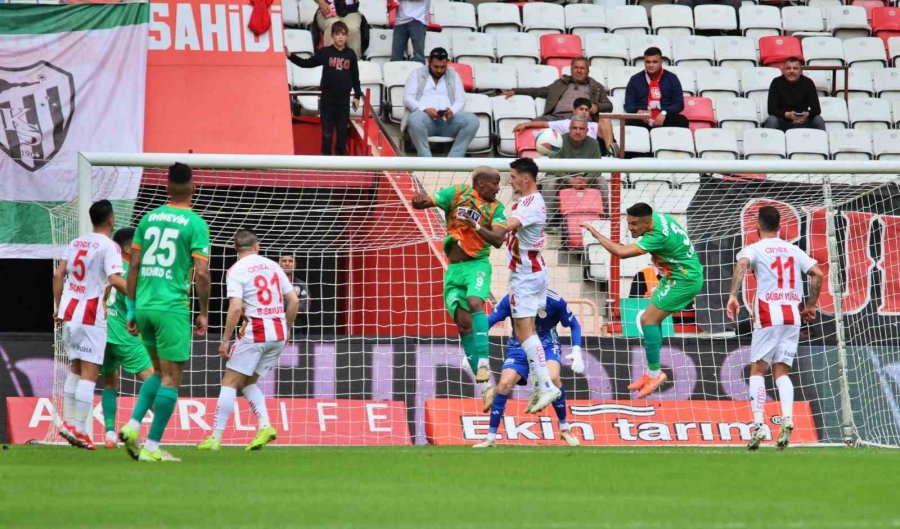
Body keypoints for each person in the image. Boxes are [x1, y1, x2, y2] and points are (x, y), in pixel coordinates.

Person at [118, 162, 212, 463]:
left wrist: (131, 308)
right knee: (172, 378)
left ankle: (133, 426)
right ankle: (152, 446)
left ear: (167, 187)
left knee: (159, 373)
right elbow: (202, 272)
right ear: (193, 187)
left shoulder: (147, 219)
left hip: (144, 305)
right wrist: (204, 311)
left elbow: (133, 266)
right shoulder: (195, 223)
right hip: (171, 308)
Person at [462, 158, 562, 414]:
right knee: (527, 331)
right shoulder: (524, 203)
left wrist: (475, 222)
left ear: (526, 178)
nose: (510, 181)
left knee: (523, 332)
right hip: (534, 271)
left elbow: (502, 232)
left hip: (525, 276)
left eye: (514, 176)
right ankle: (541, 384)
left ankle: (547, 384)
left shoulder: (532, 204)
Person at [726, 206, 823, 450]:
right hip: (792, 315)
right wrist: (811, 305)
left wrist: (733, 295)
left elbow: (742, 264)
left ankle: (759, 424)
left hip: (768, 314)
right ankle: (788, 418)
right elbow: (817, 274)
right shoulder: (793, 249)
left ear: (757, 226)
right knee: (782, 372)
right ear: (779, 226)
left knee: (757, 371)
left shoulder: (754, 248)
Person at [582, 203, 703, 398]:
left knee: (648, 320)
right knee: (653, 320)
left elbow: (621, 253)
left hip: (684, 280)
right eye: (629, 222)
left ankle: (655, 374)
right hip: (675, 275)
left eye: (634, 224)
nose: (630, 228)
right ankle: (651, 372)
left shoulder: (657, 236)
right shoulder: (660, 217)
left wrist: (595, 234)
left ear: (647, 222)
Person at [411, 168, 507, 411]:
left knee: (475, 302)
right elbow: (425, 202)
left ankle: (483, 361)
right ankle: (486, 388)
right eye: (495, 183)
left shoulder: (497, 208)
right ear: (481, 183)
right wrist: (418, 201)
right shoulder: (457, 193)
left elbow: (498, 240)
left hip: (477, 264)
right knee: (463, 325)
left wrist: (475, 225)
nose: (498, 188)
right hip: (453, 270)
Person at [198, 229, 300, 451]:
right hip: (278, 332)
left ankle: (215, 438)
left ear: (235, 248)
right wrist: (287, 328)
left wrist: (225, 340)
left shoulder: (236, 270)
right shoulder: (273, 265)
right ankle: (265, 426)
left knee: (229, 381)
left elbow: (236, 307)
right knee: (247, 382)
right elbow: (293, 301)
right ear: (257, 247)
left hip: (257, 331)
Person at [52, 200, 127, 450]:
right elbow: (115, 278)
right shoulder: (110, 246)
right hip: (91, 315)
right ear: (111, 220)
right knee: (90, 373)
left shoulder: (76, 242)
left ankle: (70, 423)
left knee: (75, 367)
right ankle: (79, 429)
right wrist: (138, 294)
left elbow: (58, 274)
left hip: (69, 313)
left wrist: (58, 307)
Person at [474, 290, 585, 448]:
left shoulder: (554, 300)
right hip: (519, 346)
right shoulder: (512, 298)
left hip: (547, 344)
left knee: (553, 377)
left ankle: (564, 428)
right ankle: (491, 437)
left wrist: (577, 351)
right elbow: (488, 322)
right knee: (504, 385)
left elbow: (574, 325)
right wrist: (473, 346)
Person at [99, 227, 155, 449]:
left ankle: (109, 434)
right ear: (128, 249)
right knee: (154, 381)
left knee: (110, 383)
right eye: (140, 245)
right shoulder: (131, 273)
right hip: (123, 334)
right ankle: (149, 434)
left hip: (102, 333)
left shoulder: (108, 269)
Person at [289, 21, 362, 156]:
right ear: (332, 36)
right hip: (327, 100)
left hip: (343, 101)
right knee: (327, 132)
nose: (340, 37)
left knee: (342, 133)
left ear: (347, 36)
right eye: (337, 34)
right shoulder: (326, 52)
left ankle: (340, 160)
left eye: (343, 34)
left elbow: (355, 78)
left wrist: (357, 95)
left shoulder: (351, 55)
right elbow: (306, 63)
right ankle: (326, 159)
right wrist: (290, 56)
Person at [402, 47, 479, 157]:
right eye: (436, 67)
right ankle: (425, 159)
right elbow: (407, 98)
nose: (439, 70)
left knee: (472, 120)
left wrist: (452, 110)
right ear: (429, 62)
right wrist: (425, 109)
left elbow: (461, 100)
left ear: (447, 63)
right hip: (426, 120)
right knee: (414, 118)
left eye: (443, 67)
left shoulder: (453, 75)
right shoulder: (416, 74)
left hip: (447, 120)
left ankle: (454, 159)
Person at [501, 57, 613, 122]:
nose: (579, 71)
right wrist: (515, 91)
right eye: (576, 68)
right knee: (533, 124)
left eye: (582, 68)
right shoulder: (560, 83)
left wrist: (597, 107)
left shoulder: (596, 87)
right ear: (571, 70)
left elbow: (609, 106)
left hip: (580, 118)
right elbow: (537, 91)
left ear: (588, 71)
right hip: (555, 117)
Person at [513, 97, 618, 157]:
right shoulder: (565, 124)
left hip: (594, 152)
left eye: (586, 110)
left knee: (605, 119)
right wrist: (525, 124)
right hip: (573, 153)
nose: (584, 112)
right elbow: (545, 124)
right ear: (574, 111)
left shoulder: (594, 125)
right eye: (581, 109)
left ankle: (611, 151)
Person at [624, 47, 689, 129]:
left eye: (654, 62)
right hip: (643, 118)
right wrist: (639, 112)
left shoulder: (672, 78)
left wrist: (664, 113)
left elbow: (679, 104)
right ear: (644, 62)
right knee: (629, 122)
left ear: (661, 61)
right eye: (648, 62)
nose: (651, 65)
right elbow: (628, 105)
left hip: (665, 115)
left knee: (681, 120)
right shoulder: (635, 79)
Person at [763, 57, 826, 132]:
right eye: (788, 68)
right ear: (783, 70)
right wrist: (788, 115)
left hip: (803, 121)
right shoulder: (776, 82)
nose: (791, 71)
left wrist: (807, 114)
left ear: (800, 71)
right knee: (771, 120)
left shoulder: (808, 83)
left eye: (795, 68)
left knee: (818, 120)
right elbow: (771, 109)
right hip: (783, 120)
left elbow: (817, 109)